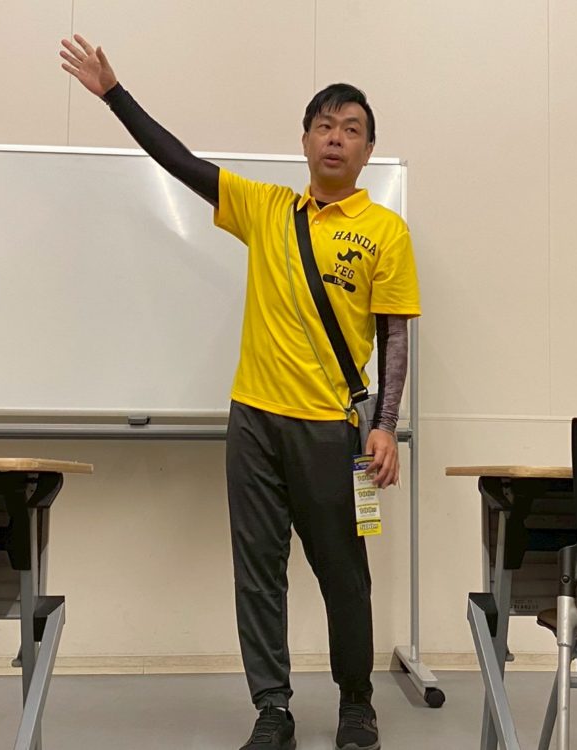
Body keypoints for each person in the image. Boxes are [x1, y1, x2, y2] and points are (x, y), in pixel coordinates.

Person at [61, 33, 420, 750]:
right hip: (253, 422)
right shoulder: (264, 207)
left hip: (330, 429)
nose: (336, 138)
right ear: (304, 140)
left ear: (368, 150)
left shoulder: (385, 231)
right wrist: (114, 95)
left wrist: (384, 423)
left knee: (344, 576)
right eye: (325, 125)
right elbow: (179, 161)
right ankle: (273, 709)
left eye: (351, 129)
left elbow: (395, 337)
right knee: (258, 574)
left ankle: (356, 704)